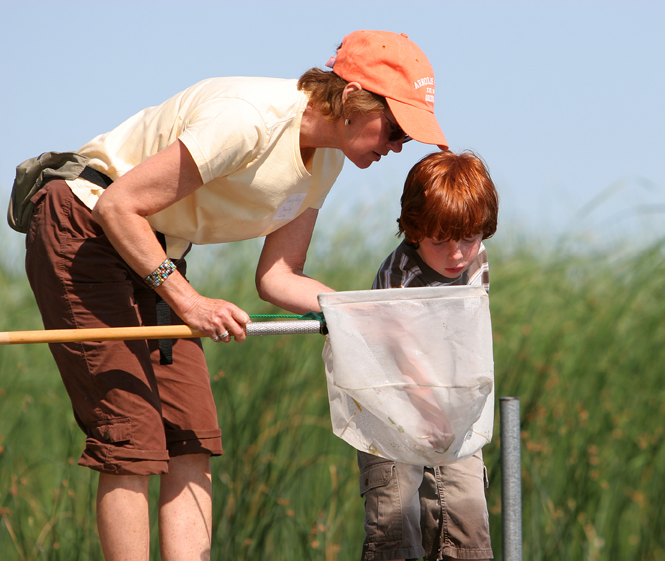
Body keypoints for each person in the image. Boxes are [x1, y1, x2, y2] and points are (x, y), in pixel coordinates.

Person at [14, 30, 447, 561]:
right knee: (131, 435)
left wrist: (368, 316)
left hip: (153, 250)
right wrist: (189, 301)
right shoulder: (250, 119)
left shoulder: (327, 158)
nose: (398, 146)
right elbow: (118, 207)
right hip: (85, 223)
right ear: (354, 96)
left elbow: (279, 276)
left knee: (192, 432)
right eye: (398, 127)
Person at [356, 150, 499, 561]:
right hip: (394, 409)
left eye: (469, 239)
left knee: (466, 517)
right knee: (396, 522)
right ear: (414, 231)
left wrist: (453, 409)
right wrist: (430, 408)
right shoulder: (399, 275)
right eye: (441, 242)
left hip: (451, 407)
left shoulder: (476, 260)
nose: (457, 254)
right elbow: (402, 354)